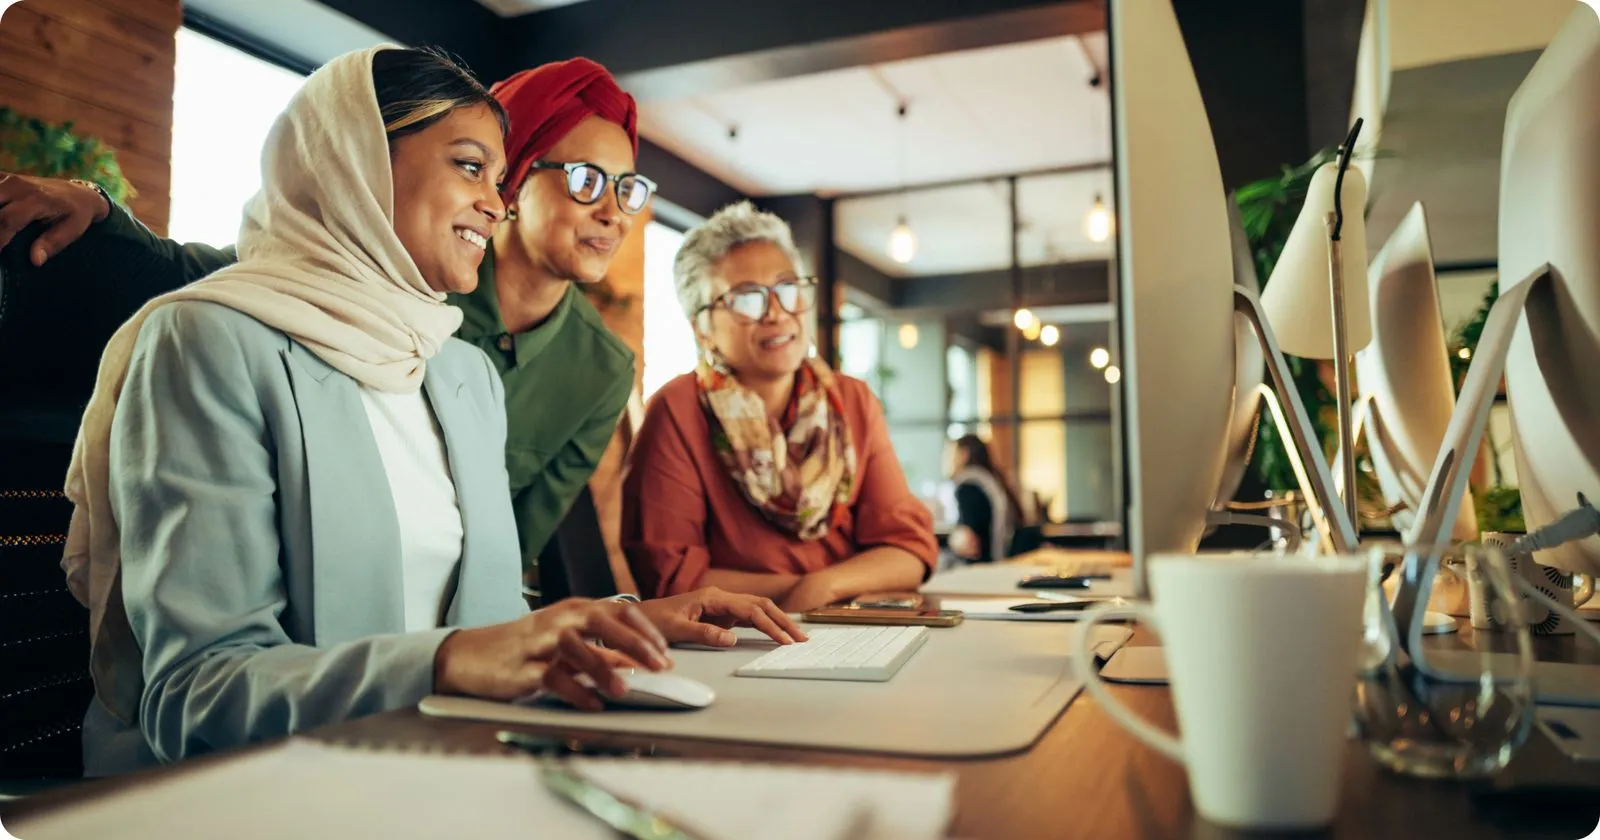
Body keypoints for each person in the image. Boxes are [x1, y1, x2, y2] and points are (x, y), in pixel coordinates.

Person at [62, 45, 789, 778]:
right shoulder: (206, 341)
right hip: (271, 788)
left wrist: (622, 624)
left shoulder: (458, 370)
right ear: (358, 161)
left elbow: (492, 629)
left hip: (446, 759)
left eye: (500, 179)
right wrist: (446, 662)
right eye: (470, 167)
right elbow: (195, 692)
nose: (495, 203)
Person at [623, 201, 938, 611]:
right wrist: (809, 591)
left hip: (850, 629)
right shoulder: (678, 410)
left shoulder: (852, 401)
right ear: (703, 329)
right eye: (746, 299)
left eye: (787, 289)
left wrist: (824, 587)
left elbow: (909, 551)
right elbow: (672, 580)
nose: (777, 313)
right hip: (733, 643)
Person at [942, 435, 1027, 564]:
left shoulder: (969, 485)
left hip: (982, 566)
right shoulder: (992, 480)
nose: (947, 461)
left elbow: (968, 540)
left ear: (964, 454)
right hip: (1005, 559)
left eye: (951, 455)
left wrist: (952, 541)